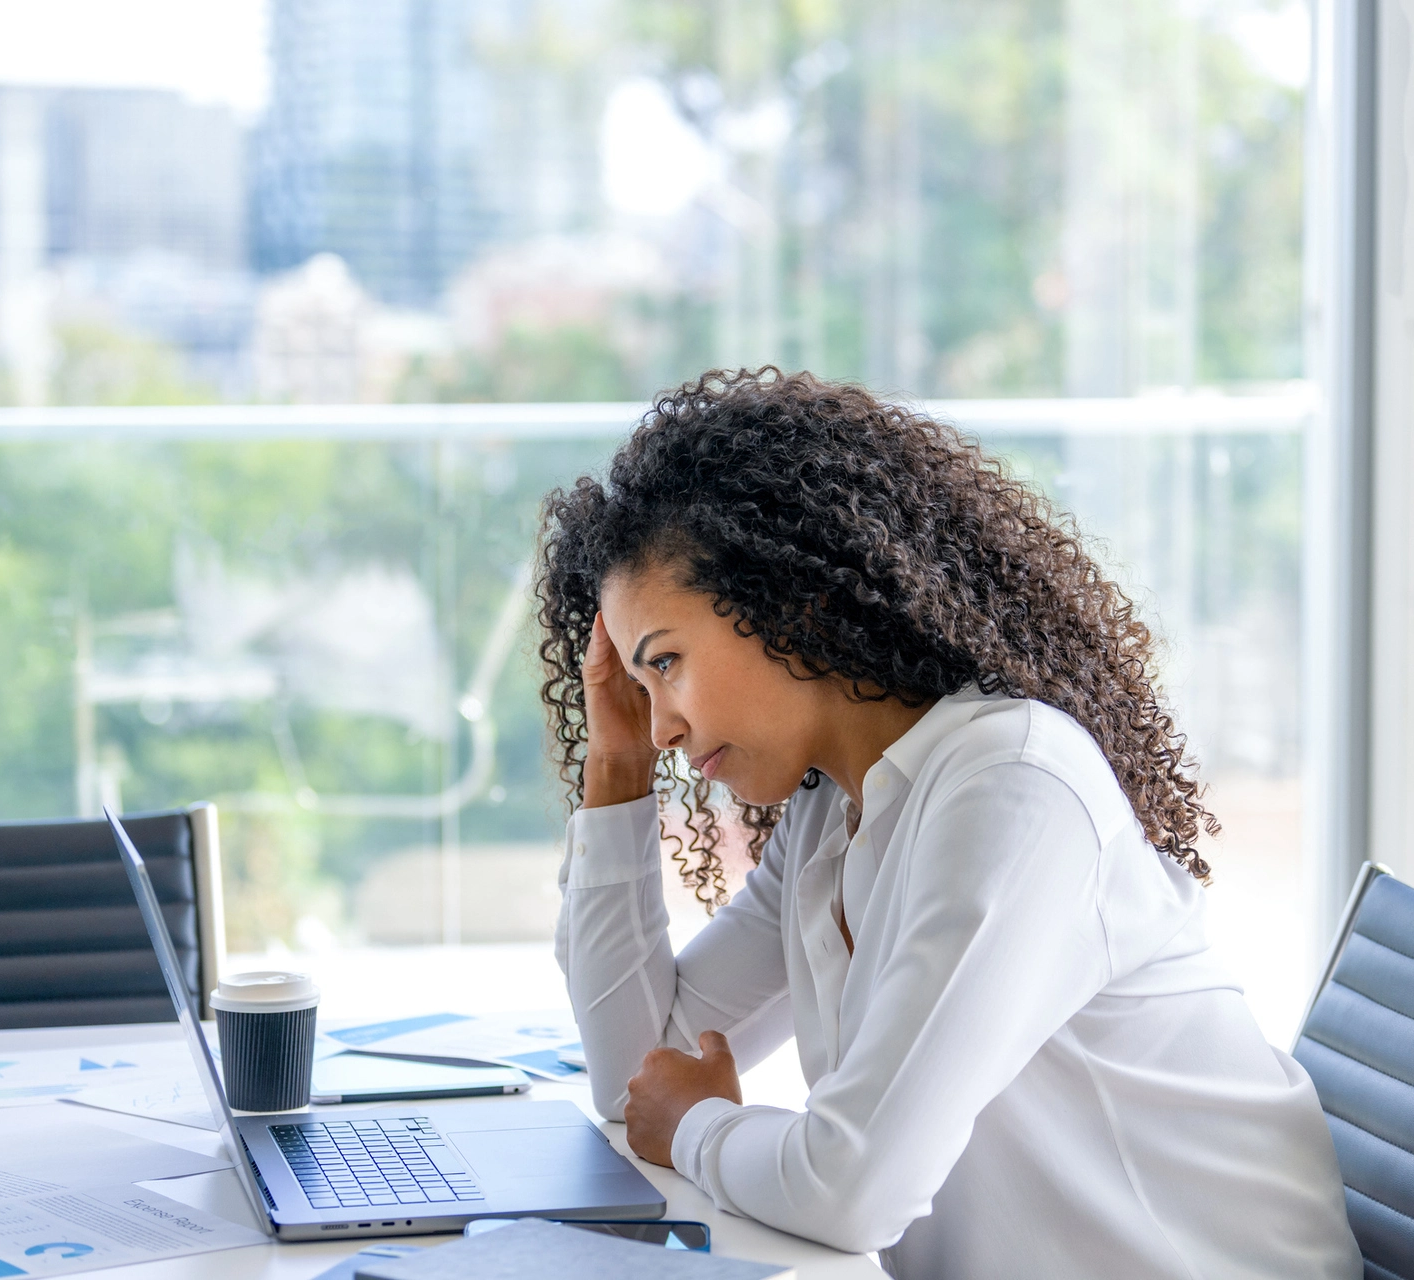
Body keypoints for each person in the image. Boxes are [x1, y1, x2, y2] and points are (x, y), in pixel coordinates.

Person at [537, 368, 1359, 1279]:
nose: (663, 726)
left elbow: (852, 1192)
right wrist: (615, 771)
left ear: (788, 603)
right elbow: (635, 1076)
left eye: (670, 664)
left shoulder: (1012, 789)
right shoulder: (831, 814)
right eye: (640, 687)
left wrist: (699, 1126)